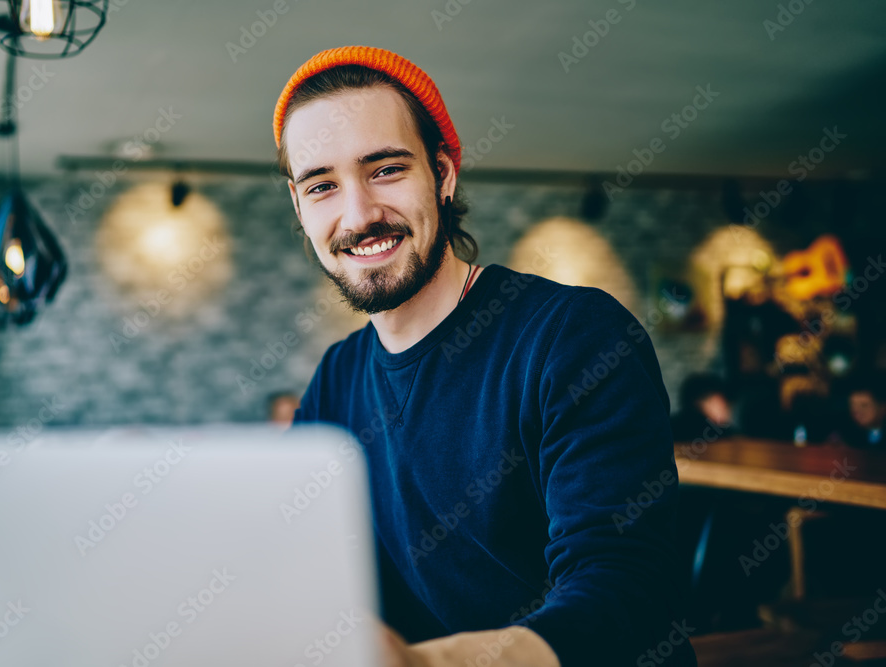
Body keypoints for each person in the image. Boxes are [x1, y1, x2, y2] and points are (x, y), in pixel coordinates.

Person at [278, 46, 696, 667]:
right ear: (299, 206)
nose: (359, 214)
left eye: (386, 169)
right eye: (322, 186)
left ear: (443, 174)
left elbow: (626, 585)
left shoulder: (574, 336)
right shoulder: (337, 377)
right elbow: (306, 560)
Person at [670, 373, 734, 441]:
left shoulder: (668, 428)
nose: (727, 406)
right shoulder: (721, 434)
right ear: (703, 403)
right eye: (723, 400)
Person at [838, 373, 886, 449]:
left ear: (882, 408)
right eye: (852, 405)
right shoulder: (847, 435)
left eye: (864, 405)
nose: (856, 411)